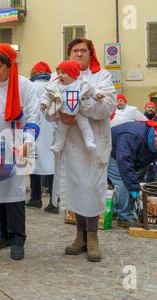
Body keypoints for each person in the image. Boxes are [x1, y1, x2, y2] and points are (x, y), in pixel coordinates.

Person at [50, 38, 116, 263]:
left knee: (92, 188)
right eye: (74, 51)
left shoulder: (102, 76)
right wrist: (60, 112)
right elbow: (48, 107)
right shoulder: (57, 74)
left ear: (90, 54)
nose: (79, 54)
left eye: (83, 51)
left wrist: (76, 106)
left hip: (94, 142)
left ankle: (93, 237)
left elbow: (107, 107)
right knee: (77, 189)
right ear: (69, 54)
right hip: (70, 143)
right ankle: (80, 237)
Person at [0, 43, 40, 260]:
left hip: (19, 143)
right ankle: (2, 231)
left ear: (10, 65)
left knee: (15, 192)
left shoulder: (25, 86)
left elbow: (32, 116)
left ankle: (17, 238)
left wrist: (27, 143)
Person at [42, 60, 106, 156]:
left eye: (63, 73)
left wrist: (97, 94)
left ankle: (89, 142)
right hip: (63, 112)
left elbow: (92, 90)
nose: (59, 75)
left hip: (78, 111)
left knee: (85, 127)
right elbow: (48, 96)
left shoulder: (81, 84)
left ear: (72, 74)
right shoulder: (55, 86)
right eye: (58, 73)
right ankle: (58, 145)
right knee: (60, 130)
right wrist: (45, 103)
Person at [26, 61, 58, 213]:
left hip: (34, 129)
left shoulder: (29, 86)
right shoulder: (53, 86)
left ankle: (35, 197)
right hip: (51, 128)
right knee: (51, 165)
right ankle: (53, 200)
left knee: (32, 163)